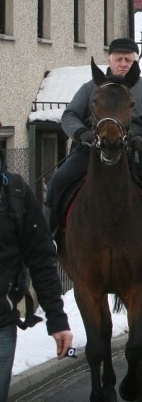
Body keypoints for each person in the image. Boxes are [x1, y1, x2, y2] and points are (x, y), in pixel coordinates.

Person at [44, 38, 142, 263]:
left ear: (136, 61)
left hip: (135, 151)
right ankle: (50, 237)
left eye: (128, 59)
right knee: (59, 179)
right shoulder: (91, 88)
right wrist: (81, 134)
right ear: (109, 60)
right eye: (119, 59)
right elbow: (70, 115)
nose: (123, 63)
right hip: (92, 150)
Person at [1, 155, 74, 400]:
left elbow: (41, 260)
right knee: (64, 180)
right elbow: (73, 116)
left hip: (1, 323)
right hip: (94, 144)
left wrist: (57, 319)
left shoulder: (15, 192)